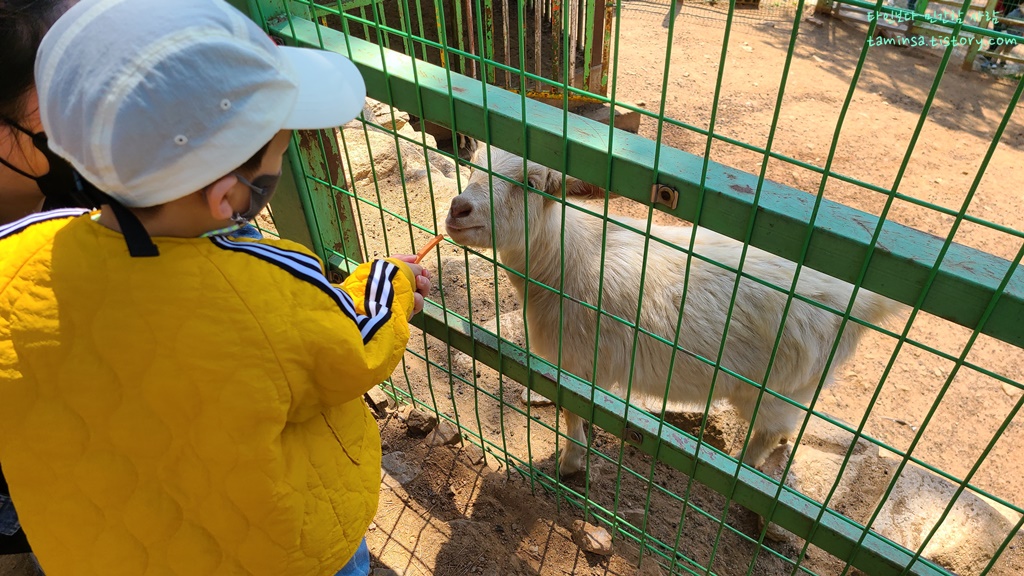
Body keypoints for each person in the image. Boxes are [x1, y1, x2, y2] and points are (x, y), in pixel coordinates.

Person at [0, 1, 431, 576]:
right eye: (279, 152)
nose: (281, 160)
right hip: (277, 552)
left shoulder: (19, 257)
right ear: (227, 197)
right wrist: (390, 282)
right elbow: (356, 344)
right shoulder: (267, 284)